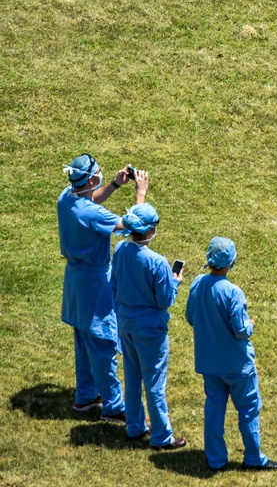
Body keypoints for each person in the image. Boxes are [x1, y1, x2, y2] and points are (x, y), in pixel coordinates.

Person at [57, 154, 146, 422]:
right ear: (93, 179)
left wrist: (115, 184)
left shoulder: (67, 197)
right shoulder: (90, 213)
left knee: (84, 341)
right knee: (103, 344)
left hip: (74, 281)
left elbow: (90, 200)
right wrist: (140, 193)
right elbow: (133, 225)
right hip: (95, 285)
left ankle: (85, 396)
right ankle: (114, 405)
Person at [186, 238, 277, 471]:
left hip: (209, 362)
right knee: (249, 409)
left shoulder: (198, 283)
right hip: (237, 366)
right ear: (229, 263)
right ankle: (253, 458)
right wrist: (251, 324)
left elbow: (191, 317)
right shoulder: (233, 292)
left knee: (214, 408)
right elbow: (241, 331)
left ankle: (216, 459)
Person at [111, 203, 186, 449]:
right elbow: (165, 300)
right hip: (150, 330)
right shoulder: (158, 262)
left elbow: (114, 284)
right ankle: (162, 436)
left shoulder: (120, 249)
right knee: (154, 382)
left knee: (132, 377)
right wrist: (175, 282)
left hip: (126, 324)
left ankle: (134, 426)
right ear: (150, 230)